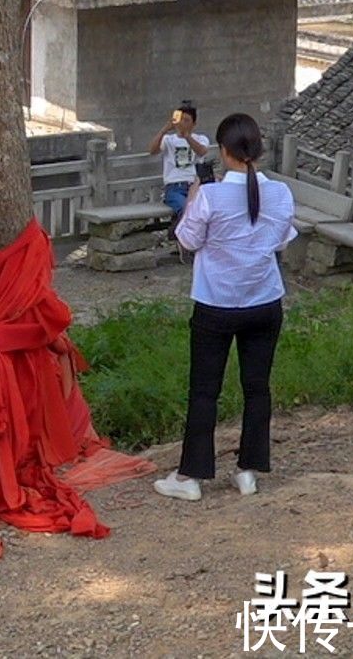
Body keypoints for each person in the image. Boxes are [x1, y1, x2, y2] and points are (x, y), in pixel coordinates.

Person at [154, 113, 295, 501]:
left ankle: (193, 476)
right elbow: (281, 242)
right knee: (257, 388)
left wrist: (196, 196)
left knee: (204, 390)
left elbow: (188, 240)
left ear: (223, 151)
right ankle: (249, 470)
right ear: (258, 150)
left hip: (216, 302)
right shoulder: (280, 194)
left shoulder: (212, 196)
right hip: (264, 300)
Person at [147, 102, 212, 224]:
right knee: (187, 210)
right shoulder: (168, 140)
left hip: (194, 186)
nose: (182, 123)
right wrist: (164, 130)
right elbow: (152, 150)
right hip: (174, 188)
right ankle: (183, 237)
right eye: (180, 120)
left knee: (205, 210)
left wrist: (187, 136)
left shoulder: (200, 139)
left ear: (194, 124)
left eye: (186, 121)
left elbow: (201, 151)